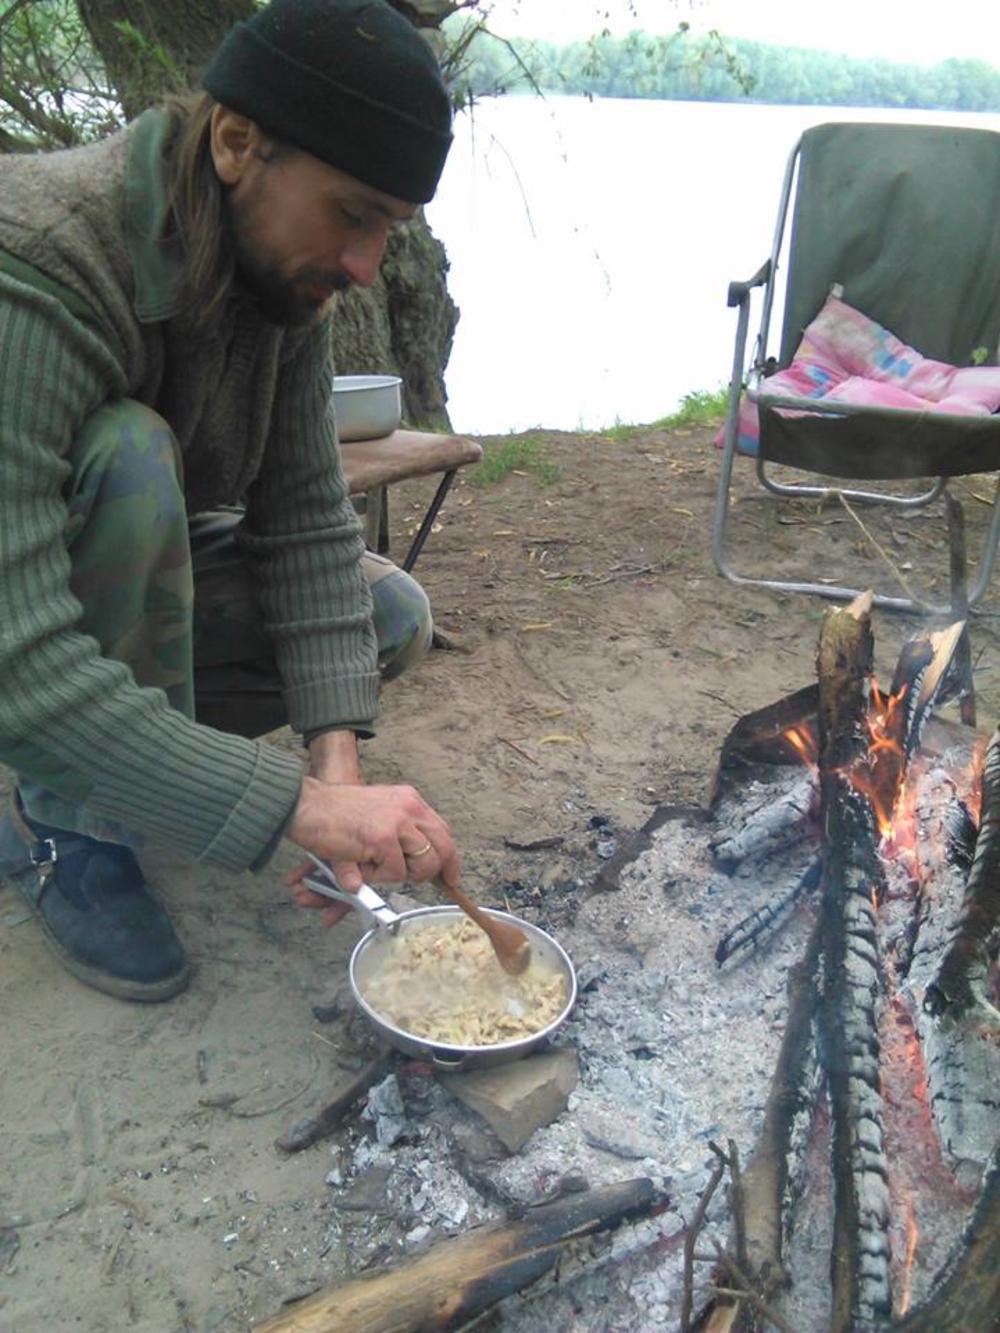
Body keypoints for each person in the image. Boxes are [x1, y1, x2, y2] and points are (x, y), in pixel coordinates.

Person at [0, 0, 461, 1003]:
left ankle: (131, 759)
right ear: (236, 141)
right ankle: (62, 823)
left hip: (90, 596)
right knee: (132, 452)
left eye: (389, 228)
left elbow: (303, 521)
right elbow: (21, 659)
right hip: (13, 624)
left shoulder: (278, 272)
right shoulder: (38, 262)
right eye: (352, 214)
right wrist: (299, 811)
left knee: (385, 615)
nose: (363, 264)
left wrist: (332, 762)